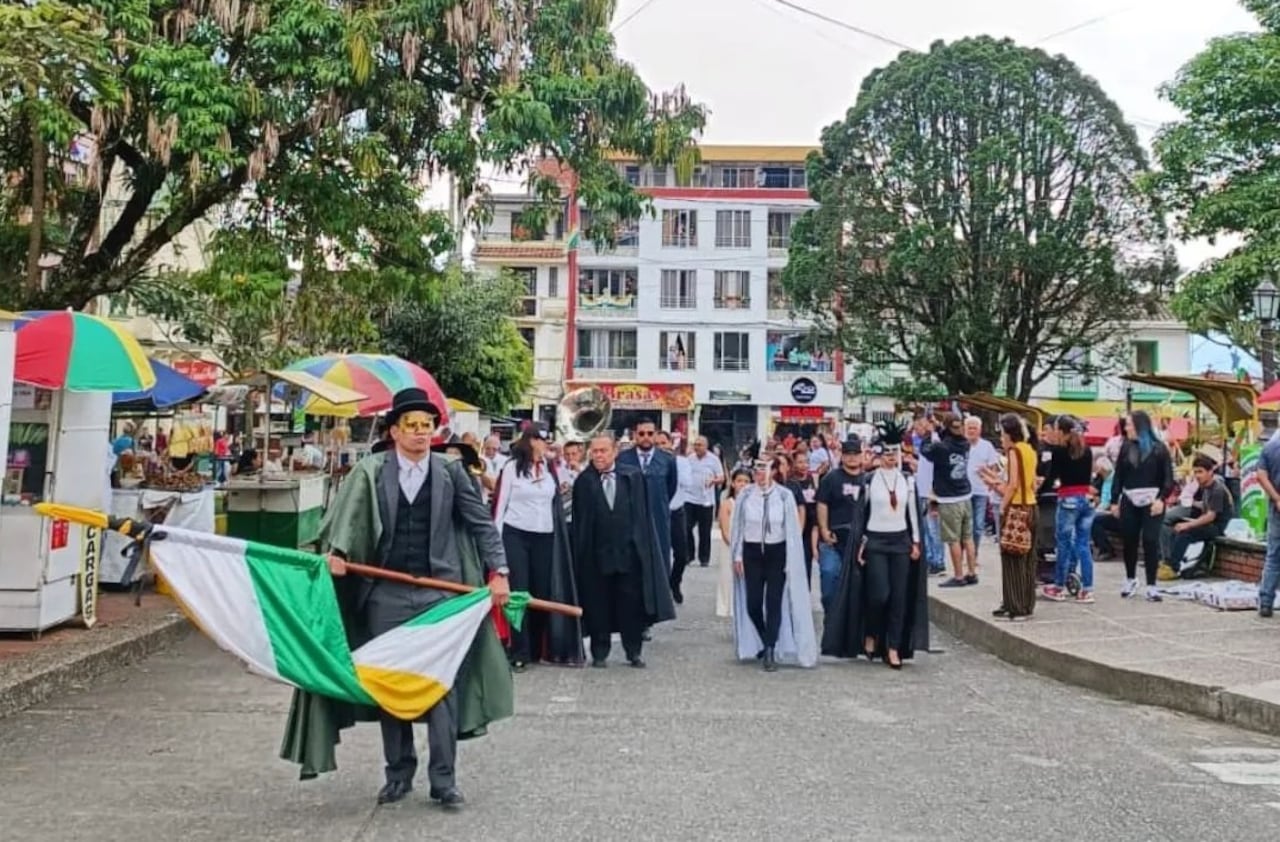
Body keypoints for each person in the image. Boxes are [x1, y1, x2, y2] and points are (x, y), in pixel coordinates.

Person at [280, 388, 511, 809]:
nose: (422, 434)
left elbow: (482, 525)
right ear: (394, 431)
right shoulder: (370, 472)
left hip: (440, 595)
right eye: (413, 426)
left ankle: (444, 781)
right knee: (393, 687)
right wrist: (339, 556)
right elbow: (345, 524)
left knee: (442, 688)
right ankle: (398, 773)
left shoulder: (451, 472)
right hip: (384, 595)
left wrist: (501, 573)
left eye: (428, 426)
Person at [823, 419, 928, 668]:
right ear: (880, 455)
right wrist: (860, 545)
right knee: (879, 594)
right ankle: (871, 631)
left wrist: (915, 542)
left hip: (900, 541)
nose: (892, 458)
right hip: (876, 542)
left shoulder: (907, 480)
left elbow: (912, 513)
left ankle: (893, 647)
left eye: (895, 453)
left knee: (899, 597)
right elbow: (862, 516)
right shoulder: (868, 481)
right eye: (887, 453)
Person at [571, 433, 676, 667]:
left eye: (603, 451)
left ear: (614, 451)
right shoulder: (584, 482)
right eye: (594, 451)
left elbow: (643, 516)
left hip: (629, 554)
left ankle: (633, 651)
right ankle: (599, 651)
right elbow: (580, 524)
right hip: (597, 556)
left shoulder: (632, 477)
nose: (598, 455)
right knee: (598, 604)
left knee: (631, 605)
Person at [491, 427, 583, 670]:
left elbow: (564, 493)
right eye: (541, 440)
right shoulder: (512, 468)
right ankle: (519, 650)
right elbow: (501, 506)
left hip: (545, 535)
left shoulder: (551, 467)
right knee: (520, 591)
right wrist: (496, 546)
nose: (545, 445)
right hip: (516, 534)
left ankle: (536, 646)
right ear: (530, 441)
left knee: (541, 590)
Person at [729, 455, 818, 672]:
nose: (760, 474)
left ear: (773, 471)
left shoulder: (784, 496)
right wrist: (738, 555)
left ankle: (770, 648)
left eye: (764, 469)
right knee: (753, 602)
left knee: (774, 601)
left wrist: (790, 559)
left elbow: (791, 529)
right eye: (757, 469)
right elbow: (738, 526)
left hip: (776, 551)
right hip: (752, 552)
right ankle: (763, 636)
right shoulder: (746, 495)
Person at [1108, 410, 1175, 602]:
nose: (1126, 428)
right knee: (1129, 539)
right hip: (1129, 497)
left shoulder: (1159, 448)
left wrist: (1162, 498)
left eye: (1128, 424)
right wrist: (1114, 500)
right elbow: (1118, 476)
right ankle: (1130, 578)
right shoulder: (1126, 447)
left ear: (1139, 425)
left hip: (1153, 498)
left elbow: (1169, 478)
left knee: (1150, 540)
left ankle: (1152, 585)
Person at [978, 413, 1039, 620]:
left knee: (1012, 558)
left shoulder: (1014, 451)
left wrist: (1003, 506)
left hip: (1016, 508)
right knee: (1027, 559)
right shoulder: (1030, 450)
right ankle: (1025, 603)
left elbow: (1012, 485)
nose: (1001, 437)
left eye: (1002, 433)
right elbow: (1029, 483)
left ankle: (1015, 605)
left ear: (1009, 433)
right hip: (1031, 506)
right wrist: (993, 479)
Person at [1041, 415, 1097, 604]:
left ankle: (1059, 586)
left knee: (1063, 543)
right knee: (1083, 544)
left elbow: (1052, 477)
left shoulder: (1059, 451)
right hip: (1087, 500)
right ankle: (1087, 590)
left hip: (1068, 499)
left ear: (1061, 431)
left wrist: (1041, 488)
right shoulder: (1086, 449)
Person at [924, 414, 976, 588]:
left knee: (953, 539)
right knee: (967, 537)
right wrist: (939, 428)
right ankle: (971, 572)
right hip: (965, 494)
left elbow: (926, 451)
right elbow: (951, 435)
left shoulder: (941, 447)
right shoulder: (965, 443)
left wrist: (927, 434)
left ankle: (959, 576)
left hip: (949, 497)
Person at [815, 437, 867, 611]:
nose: (852, 458)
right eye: (848, 454)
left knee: (858, 588)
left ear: (861, 456)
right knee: (829, 579)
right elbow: (822, 504)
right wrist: (824, 529)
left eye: (855, 454)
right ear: (842, 456)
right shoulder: (830, 479)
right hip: (833, 539)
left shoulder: (868, 480)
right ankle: (830, 620)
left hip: (859, 541)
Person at [1167, 454, 1233, 575]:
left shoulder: (1217, 489)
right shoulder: (1205, 487)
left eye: (1200, 472)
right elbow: (1205, 507)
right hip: (1209, 523)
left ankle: (1173, 567)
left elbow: (1210, 516)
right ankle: (1170, 561)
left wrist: (1189, 525)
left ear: (1210, 472)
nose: (1197, 475)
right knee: (1175, 528)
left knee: (1185, 532)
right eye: (1195, 472)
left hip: (1218, 527)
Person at [656, 430, 693, 604]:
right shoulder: (651, 464)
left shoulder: (681, 462)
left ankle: (675, 582)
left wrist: (671, 466)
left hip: (676, 511)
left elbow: (687, 483)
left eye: (663, 443)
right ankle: (660, 589)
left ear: (671, 444)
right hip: (656, 514)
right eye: (657, 444)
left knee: (681, 554)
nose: (660, 447)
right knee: (658, 554)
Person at [716, 468, 752, 618]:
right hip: (730, 546)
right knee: (728, 576)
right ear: (733, 483)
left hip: (749, 544)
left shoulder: (753, 503)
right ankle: (727, 606)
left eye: (746, 481)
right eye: (739, 481)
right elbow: (724, 529)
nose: (742, 485)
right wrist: (734, 545)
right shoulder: (727, 503)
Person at [686, 436, 724, 568]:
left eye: (700, 445)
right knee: (686, 527)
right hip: (689, 498)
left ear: (706, 446)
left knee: (704, 531)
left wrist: (713, 481)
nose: (697, 447)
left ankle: (704, 558)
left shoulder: (713, 460)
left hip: (706, 500)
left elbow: (721, 477)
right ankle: (689, 555)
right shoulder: (690, 459)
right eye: (695, 444)